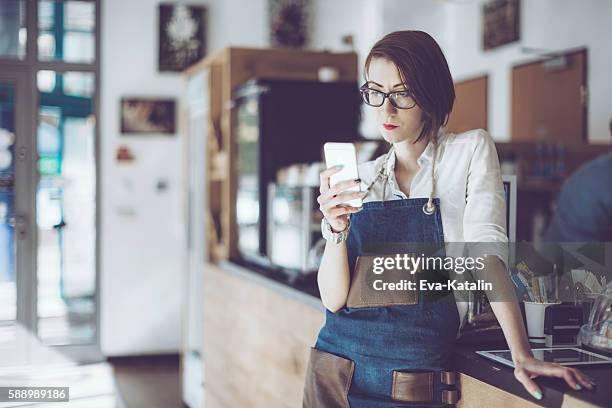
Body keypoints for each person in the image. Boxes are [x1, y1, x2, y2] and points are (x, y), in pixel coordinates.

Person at [302, 30, 595, 407]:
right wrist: (336, 231)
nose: (385, 110)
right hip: (334, 374)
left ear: (429, 93)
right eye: (375, 91)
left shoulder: (469, 151)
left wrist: (520, 353)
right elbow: (334, 298)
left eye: (402, 93)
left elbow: (486, 254)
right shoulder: (363, 176)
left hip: (413, 384)